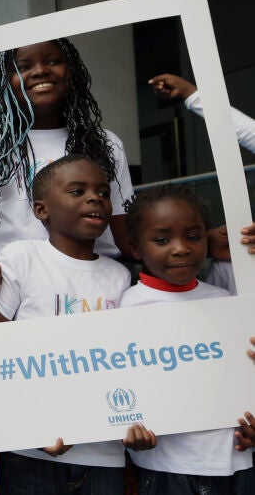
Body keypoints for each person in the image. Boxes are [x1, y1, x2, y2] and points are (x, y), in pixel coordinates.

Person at [0, 155, 154, 494]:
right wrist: (27, 427)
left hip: (103, 453)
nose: (95, 199)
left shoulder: (119, 276)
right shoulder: (21, 258)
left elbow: (129, 359)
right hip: (31, 448)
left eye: (103, 193)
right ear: (41, 209)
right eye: (78, 191)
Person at [120, 185, 254, 493]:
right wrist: (126, 429)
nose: (181, 248)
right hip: (165, 465)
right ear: (136, 249)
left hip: (234, 458)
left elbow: (241, 375)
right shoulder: (128, 307)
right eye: (162, 240)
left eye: (193, 237)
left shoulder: (224, 300)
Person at [0, 38, 134, 259]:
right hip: (16, 273)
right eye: (23, 67)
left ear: (71, 72)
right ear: (6, 82)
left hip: (97, 272)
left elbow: (122, 228)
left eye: (53, 61)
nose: (40, 71)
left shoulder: (105, 142)